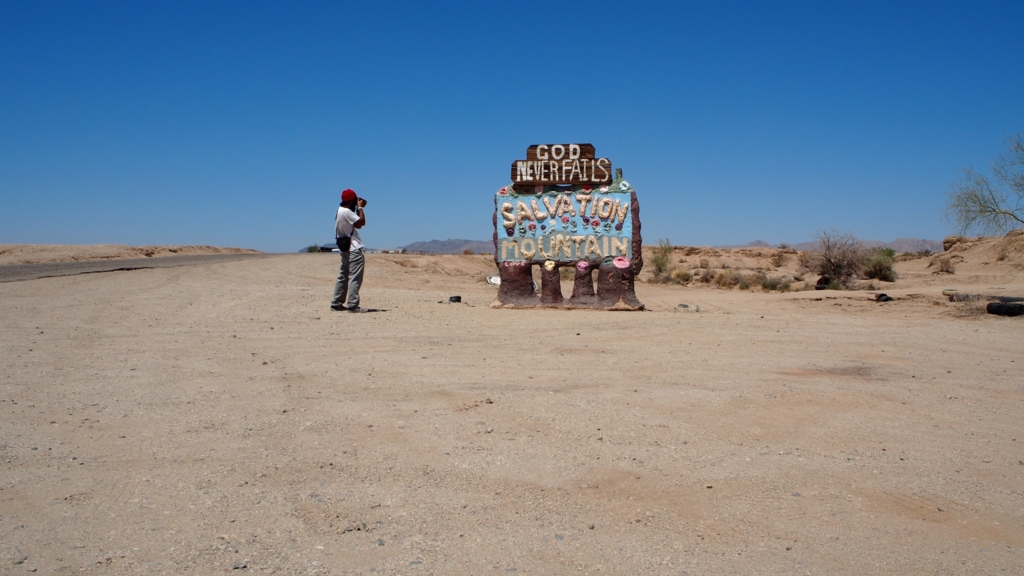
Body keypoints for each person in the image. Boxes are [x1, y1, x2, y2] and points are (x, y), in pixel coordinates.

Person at [331, 189, 367, 312]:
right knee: (354, 277)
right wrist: (360, 208)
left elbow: (356, 225)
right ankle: (353, 305)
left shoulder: (339, 211)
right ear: (352, 201)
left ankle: (336, 302)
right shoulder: (347, 212)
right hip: (354, 248)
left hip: (344, 248)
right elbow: (362, 223)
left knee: (343, 275)